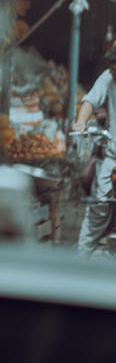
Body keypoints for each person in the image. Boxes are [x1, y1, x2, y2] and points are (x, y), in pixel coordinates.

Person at [73, 46, 116, 254]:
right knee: (99, 207)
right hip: (112, 155)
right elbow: (91, 100)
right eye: (113, 69)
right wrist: (81, 121)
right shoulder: (108, 77)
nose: (115, 73)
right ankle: (81, 259)